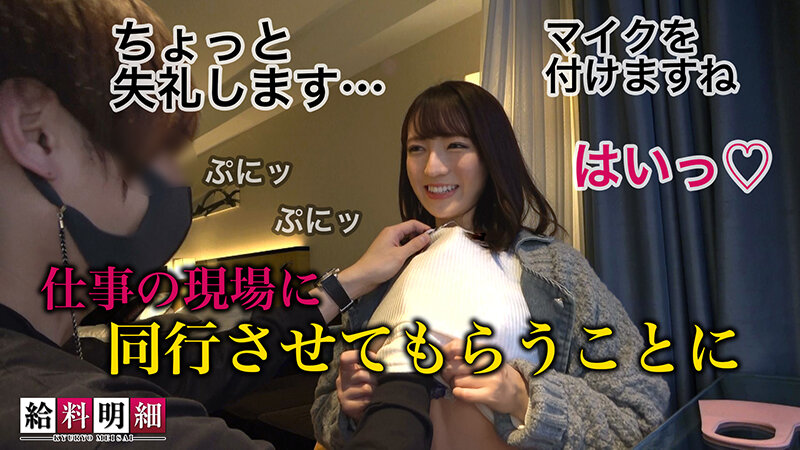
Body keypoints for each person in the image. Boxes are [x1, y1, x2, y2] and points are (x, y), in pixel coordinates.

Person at [0, 1, 436, 448]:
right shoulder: (43, 408)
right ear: (37, 132)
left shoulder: (81, 358)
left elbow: (221, 359)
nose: (173, 178)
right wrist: (408, 360)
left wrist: (350, 281)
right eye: (156, 141)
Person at [311, 81, 671, 449]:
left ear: (491, 154)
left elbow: (640, 413)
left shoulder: (557, 270)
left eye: (456, 145)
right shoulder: (384, 273)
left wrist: (524, 397)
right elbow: (323, 413)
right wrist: (347, 409)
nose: (432, 168)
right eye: (417, 149)